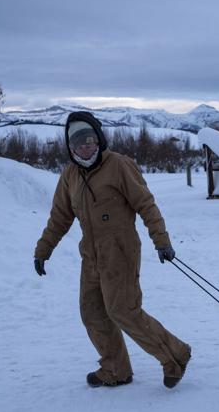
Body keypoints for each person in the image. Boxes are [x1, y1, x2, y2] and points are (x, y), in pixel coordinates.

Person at [33, 111, 191, 389]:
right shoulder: (70, 176)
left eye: (90, 140)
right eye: (79, 143)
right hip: (91, 255)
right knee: (92, 312)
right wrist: (43, 250)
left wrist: (161, 240)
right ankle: (116, 369)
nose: (86, 147)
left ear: (99, 139)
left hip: (120, 251)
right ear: (70, 148)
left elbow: (146, 204)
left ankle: (175, 355)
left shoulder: (119, 166)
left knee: (123, 310)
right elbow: (59, 217)